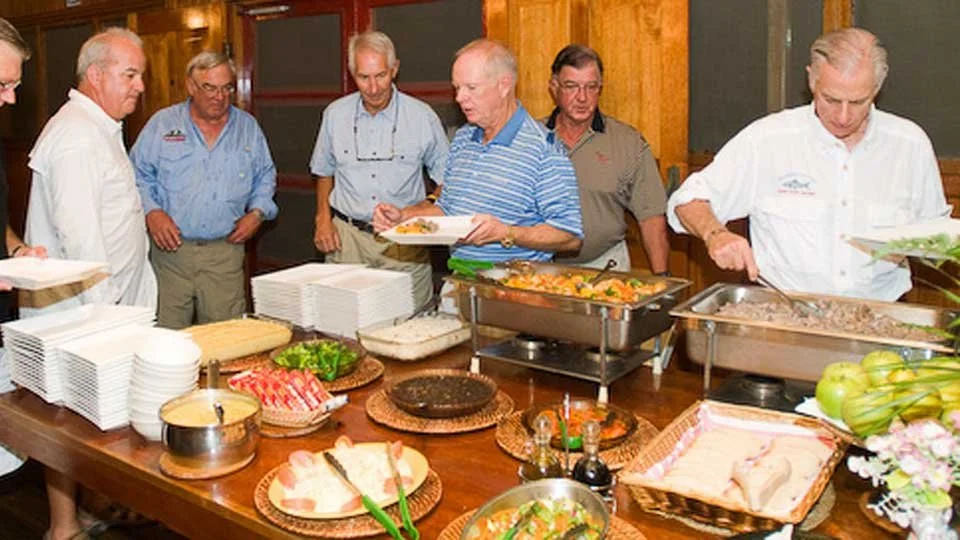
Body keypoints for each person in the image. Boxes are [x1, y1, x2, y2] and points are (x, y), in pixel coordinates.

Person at [667, 27, 949, 300]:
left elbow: (936, 236)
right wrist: (715, 234)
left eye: (858, 102)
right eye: (831, 99)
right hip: (786, 313)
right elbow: (686, 200)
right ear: (811, 80)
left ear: (877, 88)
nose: (842, 116)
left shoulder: (910, 145)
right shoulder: (767, 139)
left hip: (879, 316)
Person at [23, 27, 157, 540]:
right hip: (81, 312)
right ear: (95, 76)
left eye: (139, 74)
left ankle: (92, 506)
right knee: (65, 422)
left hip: (106, 308)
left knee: (91, 423)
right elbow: (82, 245)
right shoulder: (78, 135)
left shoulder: (99, 124)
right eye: (130, 74)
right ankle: (63, 528)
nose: (140, 85)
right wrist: (108, 324)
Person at [373, 39, 583, 264]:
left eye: (471, 88)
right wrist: (405, 217)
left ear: (504, 86)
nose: (459, 98)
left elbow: (570, 236)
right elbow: (447, 209)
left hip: (515, 289)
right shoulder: (463, 138)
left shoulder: (544, 149)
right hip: (460, 279)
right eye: (457, 88)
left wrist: (507, 233)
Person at [130, 50, 277, 329]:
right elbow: (137, 173)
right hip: (170, 254)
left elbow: (266, 175)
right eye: (209, 87)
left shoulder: (248, 128)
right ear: (190, 86)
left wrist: (257, 213)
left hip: (225, 254)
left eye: (226, 88)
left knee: (226, 344)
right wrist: (152, 212)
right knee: (166, 342)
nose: (218, 97)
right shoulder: (163, 124)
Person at [310, 31, 448, 311]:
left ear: (395, 69)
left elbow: (449, 179)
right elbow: (324, 171)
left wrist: (425, 205)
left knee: (409, 325)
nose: (373, 88)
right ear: (352, 74)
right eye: (363, 77)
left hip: (404, 243)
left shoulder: (422, 116)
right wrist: (322, 219)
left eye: (381, 76)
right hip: (347, 240)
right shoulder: (335, 115)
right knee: (343, 324)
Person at [543, 44, 669, 273]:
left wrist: (663, 280)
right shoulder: (529, 138)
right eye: (571, 86)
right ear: (554, 87)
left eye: (591, 87)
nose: (582, 97)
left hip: (607, 267)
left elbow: (651, 218)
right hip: (541, 267)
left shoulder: (628, 142)